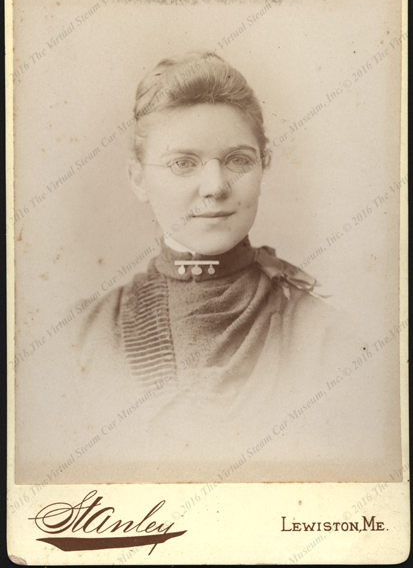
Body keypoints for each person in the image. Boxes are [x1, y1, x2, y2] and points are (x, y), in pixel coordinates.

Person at [17, 51, 397, 484]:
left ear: (264, 165)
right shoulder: (81, 339)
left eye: (238, 160)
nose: (216, 187)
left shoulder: (329, 340)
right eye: (183, 163)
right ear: (138, 178)